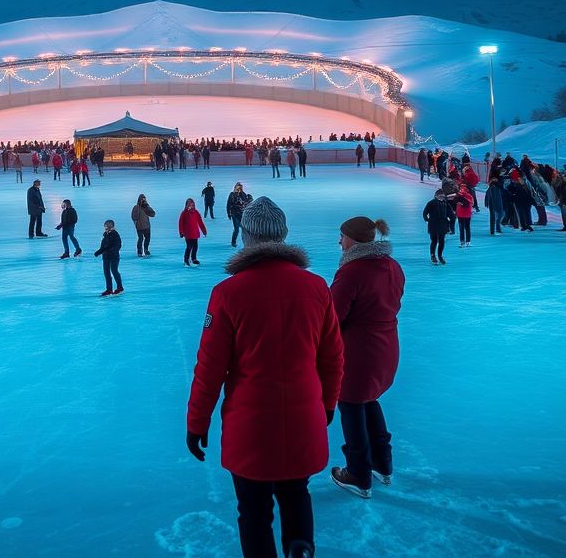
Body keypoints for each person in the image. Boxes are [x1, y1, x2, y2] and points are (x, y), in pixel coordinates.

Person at [186, 197, 343, 558]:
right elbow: (333, 356)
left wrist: (197, 423)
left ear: (246, 237)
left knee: (254, 512)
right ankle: (301, 550)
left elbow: (210, 369)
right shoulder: (316, 287)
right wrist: (329, 403)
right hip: (303, 418)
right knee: (296, 495)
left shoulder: (228, 293)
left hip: (251, 425)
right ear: (283, 236)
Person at [329, 216, 404, 499]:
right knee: (369, 400)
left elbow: (332, 316)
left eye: (342, 236)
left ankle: (358, 473)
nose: (339, 241)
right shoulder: (392, 266)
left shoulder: (353, 271)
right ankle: (382, 462)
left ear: (354, 239)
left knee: (350, 406)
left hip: (358, 351)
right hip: (386, 347)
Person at [422, 189, 454, 265]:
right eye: (440, 195)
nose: (441, 197)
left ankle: (440, 256)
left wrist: (450, 220)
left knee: (442, 241)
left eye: (442, 195)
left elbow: (451, 213)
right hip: (433, 225)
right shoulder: (431, 203)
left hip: (443, 225)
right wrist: (427, 220)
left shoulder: (445, 204)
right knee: (434, 240)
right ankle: (433, 255)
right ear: (436, 196)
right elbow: (425, 213)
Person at [95, 219, 123, 297]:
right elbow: (103, 246)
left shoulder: (115, 235)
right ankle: (109, 289)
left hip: (113, 257)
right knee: (106, 273)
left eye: (107, 226)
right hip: (106, 257)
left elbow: (116, 246)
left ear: (111, 227)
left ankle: (120, 288)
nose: (105, 228)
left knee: (114, 271)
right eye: (105, 226)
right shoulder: (105, 235)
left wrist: (100, 252)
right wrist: (100, 251)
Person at [179, 198, 208, 266]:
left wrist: (204, 230)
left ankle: (194, 258)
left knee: (195, 246)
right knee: (189, 247)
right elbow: (180, 223)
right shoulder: (184, 213)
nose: (191, 206)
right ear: (186, 205)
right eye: (189, 205)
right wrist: (181, 232)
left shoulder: (196, 212)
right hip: (188, 233)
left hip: (195, 233)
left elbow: (200, 222)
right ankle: (186, 260)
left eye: (192, 205)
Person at [226, 182, 253, 248]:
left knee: (245, 228)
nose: (239, 189)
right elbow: (228, 204)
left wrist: (250, 198)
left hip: (242, 213)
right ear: (235, 187)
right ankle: (233, 242)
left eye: (240, 187)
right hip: (234, 213)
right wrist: (229, 213)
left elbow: (246, 202)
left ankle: (248, 241)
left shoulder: (243, 194)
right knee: (236, 229)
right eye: (237, 187)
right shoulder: (232, 194)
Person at [454, 182, 474, 247]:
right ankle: (468, 242)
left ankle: (462, 242)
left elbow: (454, 203)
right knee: (467, 228)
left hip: (460, 214)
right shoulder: (469, 196)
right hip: (468, 214)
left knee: (461, 228)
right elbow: (472, 204)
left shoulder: (457, 196)